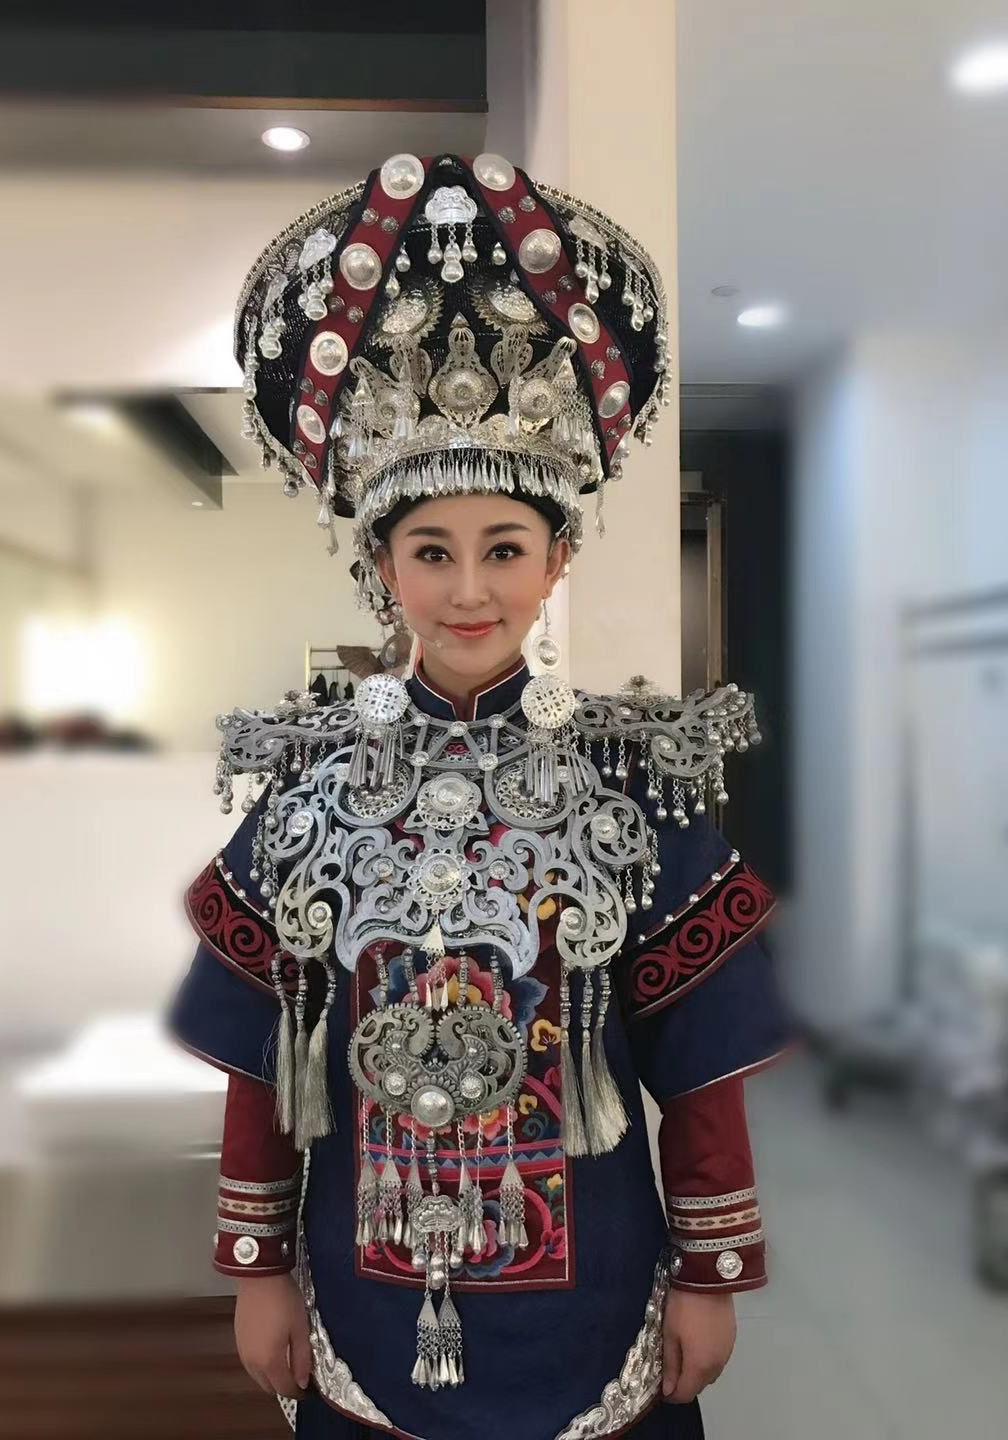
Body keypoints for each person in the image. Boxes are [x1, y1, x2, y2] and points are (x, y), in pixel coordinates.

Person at [168, 151, 794, 1440]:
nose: (469, 591)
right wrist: (257, 1266)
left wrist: (713, 1270)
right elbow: (262, 1065)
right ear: (381, 565)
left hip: (598, 1297)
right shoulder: (307, 795)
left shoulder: (637, 788)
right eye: (431, 552)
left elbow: (698, 1072)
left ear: (556, 560)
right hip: (359, 1295)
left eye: (504, 549)